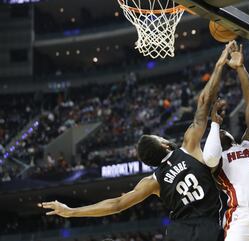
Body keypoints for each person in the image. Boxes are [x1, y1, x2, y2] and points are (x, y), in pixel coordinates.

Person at [38, 41, 236, 241]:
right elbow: (203, 102)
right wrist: (220, 63)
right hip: (209, 227)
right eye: (161, 137)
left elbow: (117, 204)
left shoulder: (152, 181)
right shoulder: (188, 146)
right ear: (165, 144)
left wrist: (70, 211)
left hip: (178, 233)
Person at [203, 43, 249, 241]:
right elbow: (209, 156)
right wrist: (214, 124)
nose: (221, 131)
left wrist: (240, 69)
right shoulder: (216, 161)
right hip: (241, 219)